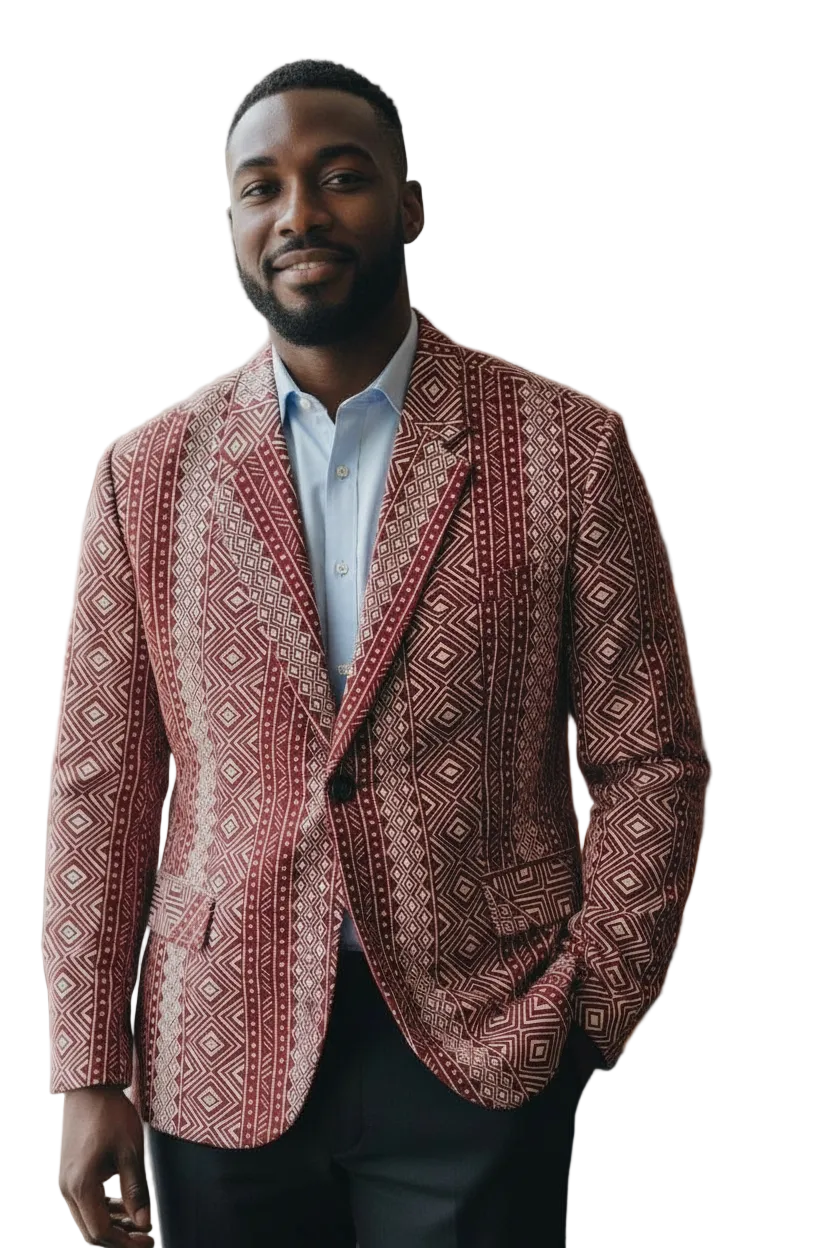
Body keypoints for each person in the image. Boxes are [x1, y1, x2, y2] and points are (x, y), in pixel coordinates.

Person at [42, 58, 710, 1248]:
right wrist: (89, 1066)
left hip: (484, 1044)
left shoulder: (565, 450)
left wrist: (591, 1008)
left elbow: (649, 755)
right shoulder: (147, 478)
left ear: (408, 206)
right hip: (217, 1050)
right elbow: (104, 785)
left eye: (340, 177)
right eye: (262, 187)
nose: (299, 212)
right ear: (232, 224)